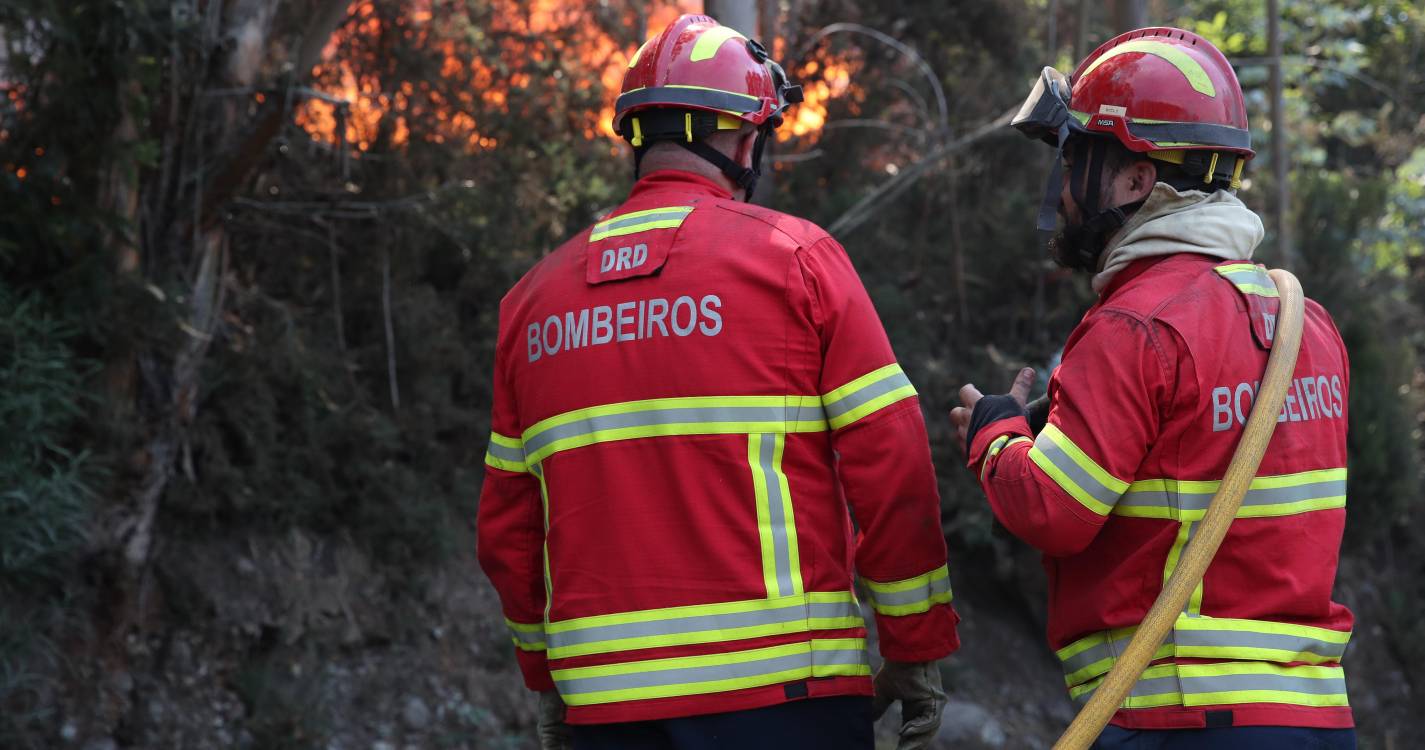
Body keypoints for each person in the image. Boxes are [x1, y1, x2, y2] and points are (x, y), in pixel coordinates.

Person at [477, 14, 958, 750]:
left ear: (636, 138)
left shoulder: (532, 302)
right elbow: (889, 467)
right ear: (743, 140)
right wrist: (913, 645)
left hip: (605, 711)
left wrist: (544, 678)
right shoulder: (794, 260)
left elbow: (508, 533)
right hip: (783, 698)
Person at [949, 27, 1356, 750]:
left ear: (1137, 181)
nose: (1065, 192)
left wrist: (996, 432)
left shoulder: (1135, 325)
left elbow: (1052, 510)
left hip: (1179, 717)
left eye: (1078, 159)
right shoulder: (1305, 322)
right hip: (1312, 721)